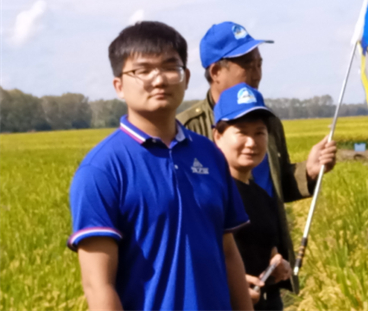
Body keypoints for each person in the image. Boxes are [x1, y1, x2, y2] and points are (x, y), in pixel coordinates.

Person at [67, 21, 253, 311]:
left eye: (170, 67)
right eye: (142, 70)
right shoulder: (102, 170)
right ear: (119, 86)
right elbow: (98, 285)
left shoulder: (210, 155)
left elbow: (228, 253)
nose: (159, 79)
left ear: (187, 77)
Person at [177, 21, 337, 293]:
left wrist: (308, 172)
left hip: (267, 266)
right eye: (247, 65)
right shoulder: (187, 130)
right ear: (216, 71)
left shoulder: (269, 122)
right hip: (219, 274)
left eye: (259, 64)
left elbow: (275, 184)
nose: (256, 73)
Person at [213, 83, 292, 310]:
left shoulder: (263, 196)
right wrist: (229, 285)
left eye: (259, 133)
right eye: (242, 132)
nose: (252, 142)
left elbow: (270, 252)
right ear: (218, 136)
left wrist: (279, 266)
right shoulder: (210, 195)